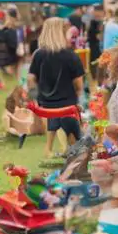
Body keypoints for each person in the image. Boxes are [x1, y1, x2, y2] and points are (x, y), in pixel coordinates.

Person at [28, 17, 85, 156]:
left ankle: (49, 148)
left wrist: (37, 96)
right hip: (67, 104)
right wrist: (78, 96)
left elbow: (30, 80)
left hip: (45, 104)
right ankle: (72, 148)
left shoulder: (38, 55)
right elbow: (79, 84)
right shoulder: (71, 56)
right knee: (70, 118)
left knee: (55, 113)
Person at [0, 9, 20, 77]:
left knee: (20, 77)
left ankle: (21, 83)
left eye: (7, 17)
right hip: (7, 60)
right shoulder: (2, 29)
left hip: (17, 59)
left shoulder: (18, 29)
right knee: (10, 79)